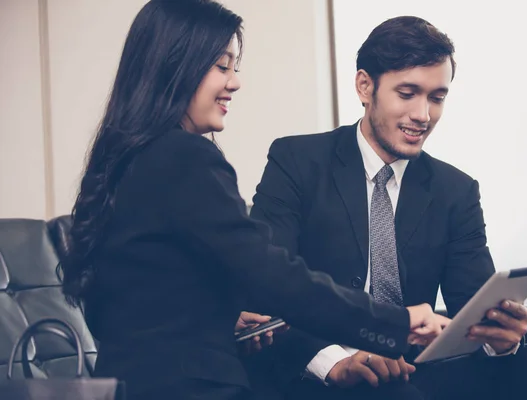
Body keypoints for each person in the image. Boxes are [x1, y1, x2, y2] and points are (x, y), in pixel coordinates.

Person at [57, 2, 447, 400]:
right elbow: (273, 275)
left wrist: (230, 318)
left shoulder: (122, 158)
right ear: (175, 66)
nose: (235, 82)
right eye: (221, 67)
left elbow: (145, 301)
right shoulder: (185, 156)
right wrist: (396, 322)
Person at [249, 15, 527, 400]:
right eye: (408, 93)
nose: (424, 115)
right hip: (325, 370)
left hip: (414, 368)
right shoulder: (298, 160)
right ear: (364, 86)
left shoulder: (455, 189)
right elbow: (265, 285)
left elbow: (473, 307)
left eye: (437, 97)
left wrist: (498, 338)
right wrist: (333, 363)